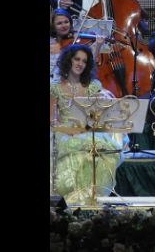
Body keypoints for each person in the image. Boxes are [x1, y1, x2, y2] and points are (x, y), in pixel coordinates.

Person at [50, 44, 126, 204]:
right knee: (95, 145)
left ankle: (92, 198)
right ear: (68, 60)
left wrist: (105, 100)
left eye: (84, 61)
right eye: (77, 59)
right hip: (63, 131)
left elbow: (102, 115)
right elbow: (52, 122)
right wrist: (69, 130)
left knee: (106, 148)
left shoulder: (93, 86)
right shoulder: (54, 87)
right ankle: (77, 200)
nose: (80, 64)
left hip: (87, 130)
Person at [50, 9, 105, 83]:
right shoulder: (52, 44)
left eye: (66, 22)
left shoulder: (76, 42)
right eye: (59, 23)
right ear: (53, 26)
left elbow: (88, 65)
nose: (64, 26)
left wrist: (98, 45)